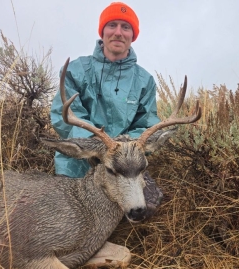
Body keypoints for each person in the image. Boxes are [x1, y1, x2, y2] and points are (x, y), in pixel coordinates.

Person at [50, 2, 162, 217]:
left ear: (133, 35)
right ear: (103, 31)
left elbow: (147, 123)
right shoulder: (75, 69)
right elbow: (64, 115)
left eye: (125, 27)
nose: (118, 33)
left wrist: (124, 146)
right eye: (112, 25)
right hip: (80, 160)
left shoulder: (144, 80)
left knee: (148, 209)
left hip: (123, 164)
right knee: (73, 217)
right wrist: (96, 146)